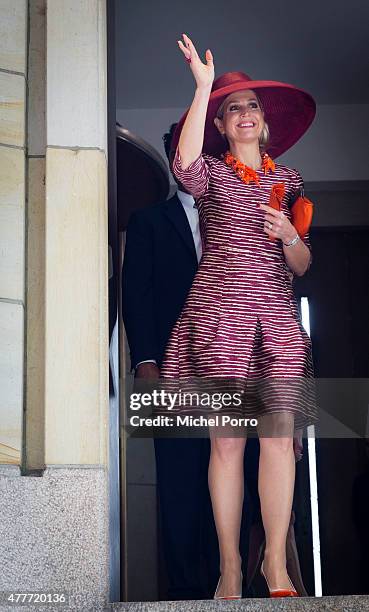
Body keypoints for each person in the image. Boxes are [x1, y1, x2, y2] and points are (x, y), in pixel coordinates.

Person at [157, 33, 318, 599]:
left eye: (250, 105)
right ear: (222, 126)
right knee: (226, 443)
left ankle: (274, 566)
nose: (243, 113)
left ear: (264, 123)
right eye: (232, 109)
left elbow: (301, 264)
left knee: (278, 439)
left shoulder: (290, 181)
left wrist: (290, 235)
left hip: (275, 316)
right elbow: (184, 163)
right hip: (221, 315)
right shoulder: (211, 175)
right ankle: (229, 568)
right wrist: (203, 89)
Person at [122, 126, 219, 599]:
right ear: (171, 156)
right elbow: (135, 295)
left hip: (234, 372)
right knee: (179, 483)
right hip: (171, 371)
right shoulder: (148, 222)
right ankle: (185, 596)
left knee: (235, 483)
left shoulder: (236, 215)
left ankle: (231, 590)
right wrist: (144, 361)